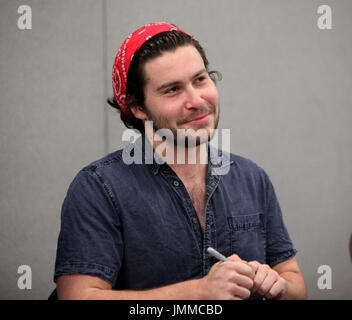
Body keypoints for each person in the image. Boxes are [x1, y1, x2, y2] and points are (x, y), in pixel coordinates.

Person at [53, 22, 306, 300]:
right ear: (138, 108)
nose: (196, 100)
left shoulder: (252, 178)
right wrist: (199, 291)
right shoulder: (99, 187)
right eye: (172, 89)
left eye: (200, 80)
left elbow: (295, 284)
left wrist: (276, 286)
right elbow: (79, 297)